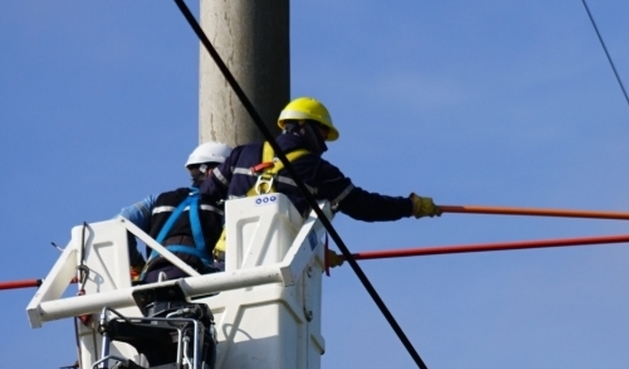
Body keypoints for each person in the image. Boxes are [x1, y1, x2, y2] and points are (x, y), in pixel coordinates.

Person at [200, 97, 442, 228]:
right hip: (276, 265)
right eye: (324, 132)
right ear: (306, 128)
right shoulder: (317, 170)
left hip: (226, 259)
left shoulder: (241, 154)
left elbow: (206, 193)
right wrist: (410, 206)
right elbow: (365, 206)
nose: (325, 141)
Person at [119, 142, 231, 282]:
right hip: (196, 279)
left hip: (152, 278)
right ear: (211, 172)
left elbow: (121, 222)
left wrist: (137, 264)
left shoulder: (157, 200)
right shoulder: (225, 206)